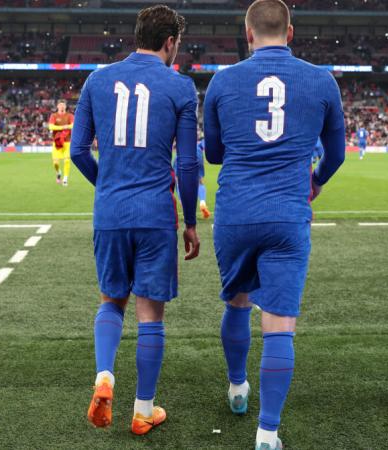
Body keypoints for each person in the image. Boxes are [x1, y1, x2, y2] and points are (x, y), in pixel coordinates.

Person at [203, 1, 346, 448]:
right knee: (280, 325)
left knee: (238, 303)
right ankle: (268, 432)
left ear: (247, 34)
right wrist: (315, 182)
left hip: (236, 212)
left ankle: (237, 387)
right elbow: (336, 153)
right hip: (287, 213)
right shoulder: (322, 80)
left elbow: (213, 154)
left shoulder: (223, 81)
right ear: (291, 32)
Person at [69, 4, 201, 436]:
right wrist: (190, 223)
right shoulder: (180, 88)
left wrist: (106, 183)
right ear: (169, 42)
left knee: (111, 301)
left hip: (111, 210)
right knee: (150, 315)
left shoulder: (96, 80)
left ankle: (104, 377)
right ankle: (142, 411)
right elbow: (186, 165)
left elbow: (76, 153)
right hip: (155, 214)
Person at [48, 100, 74, 186]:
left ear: (65, 106)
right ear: (57, 106)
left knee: (67, 160)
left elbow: (73, 125)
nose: (62, 106)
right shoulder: (54, 115)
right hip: (57, 142)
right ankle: (58, 172)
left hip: (67, 141)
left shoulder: (69, 115)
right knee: (55, 163)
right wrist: (63, 127)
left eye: (63, 105)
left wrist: (66, 126)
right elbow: (50, 126)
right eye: (60, 105)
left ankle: (65, 178)